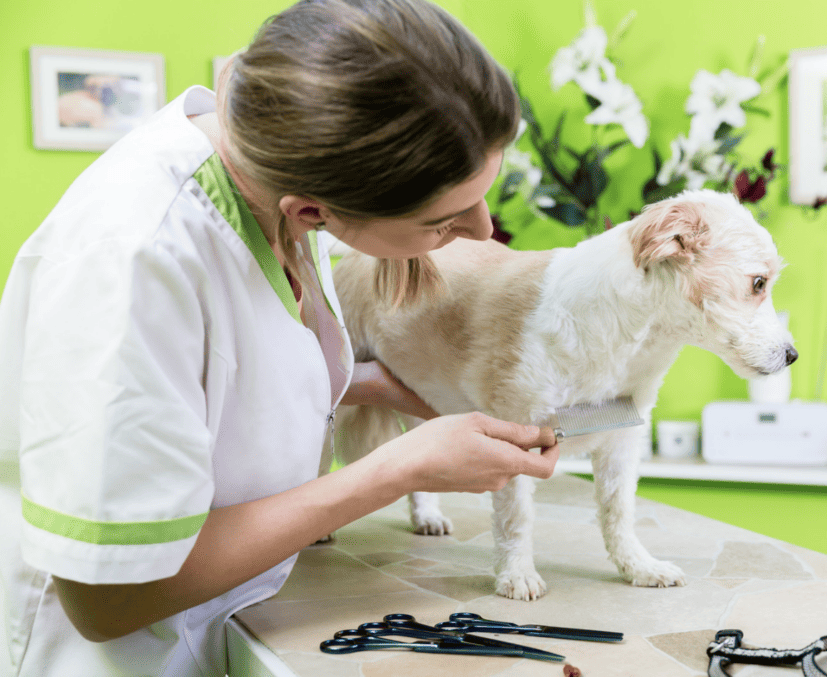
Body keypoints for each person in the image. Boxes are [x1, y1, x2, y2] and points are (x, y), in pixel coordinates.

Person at [0, 1, 559, 674]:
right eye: (443, 221)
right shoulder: (134, 258)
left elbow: (225, 378)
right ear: (315, 210)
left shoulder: (276, 173)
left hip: (229, 626)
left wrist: (388, 388)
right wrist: (398, 468)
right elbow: (107, 598)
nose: (481, 228)